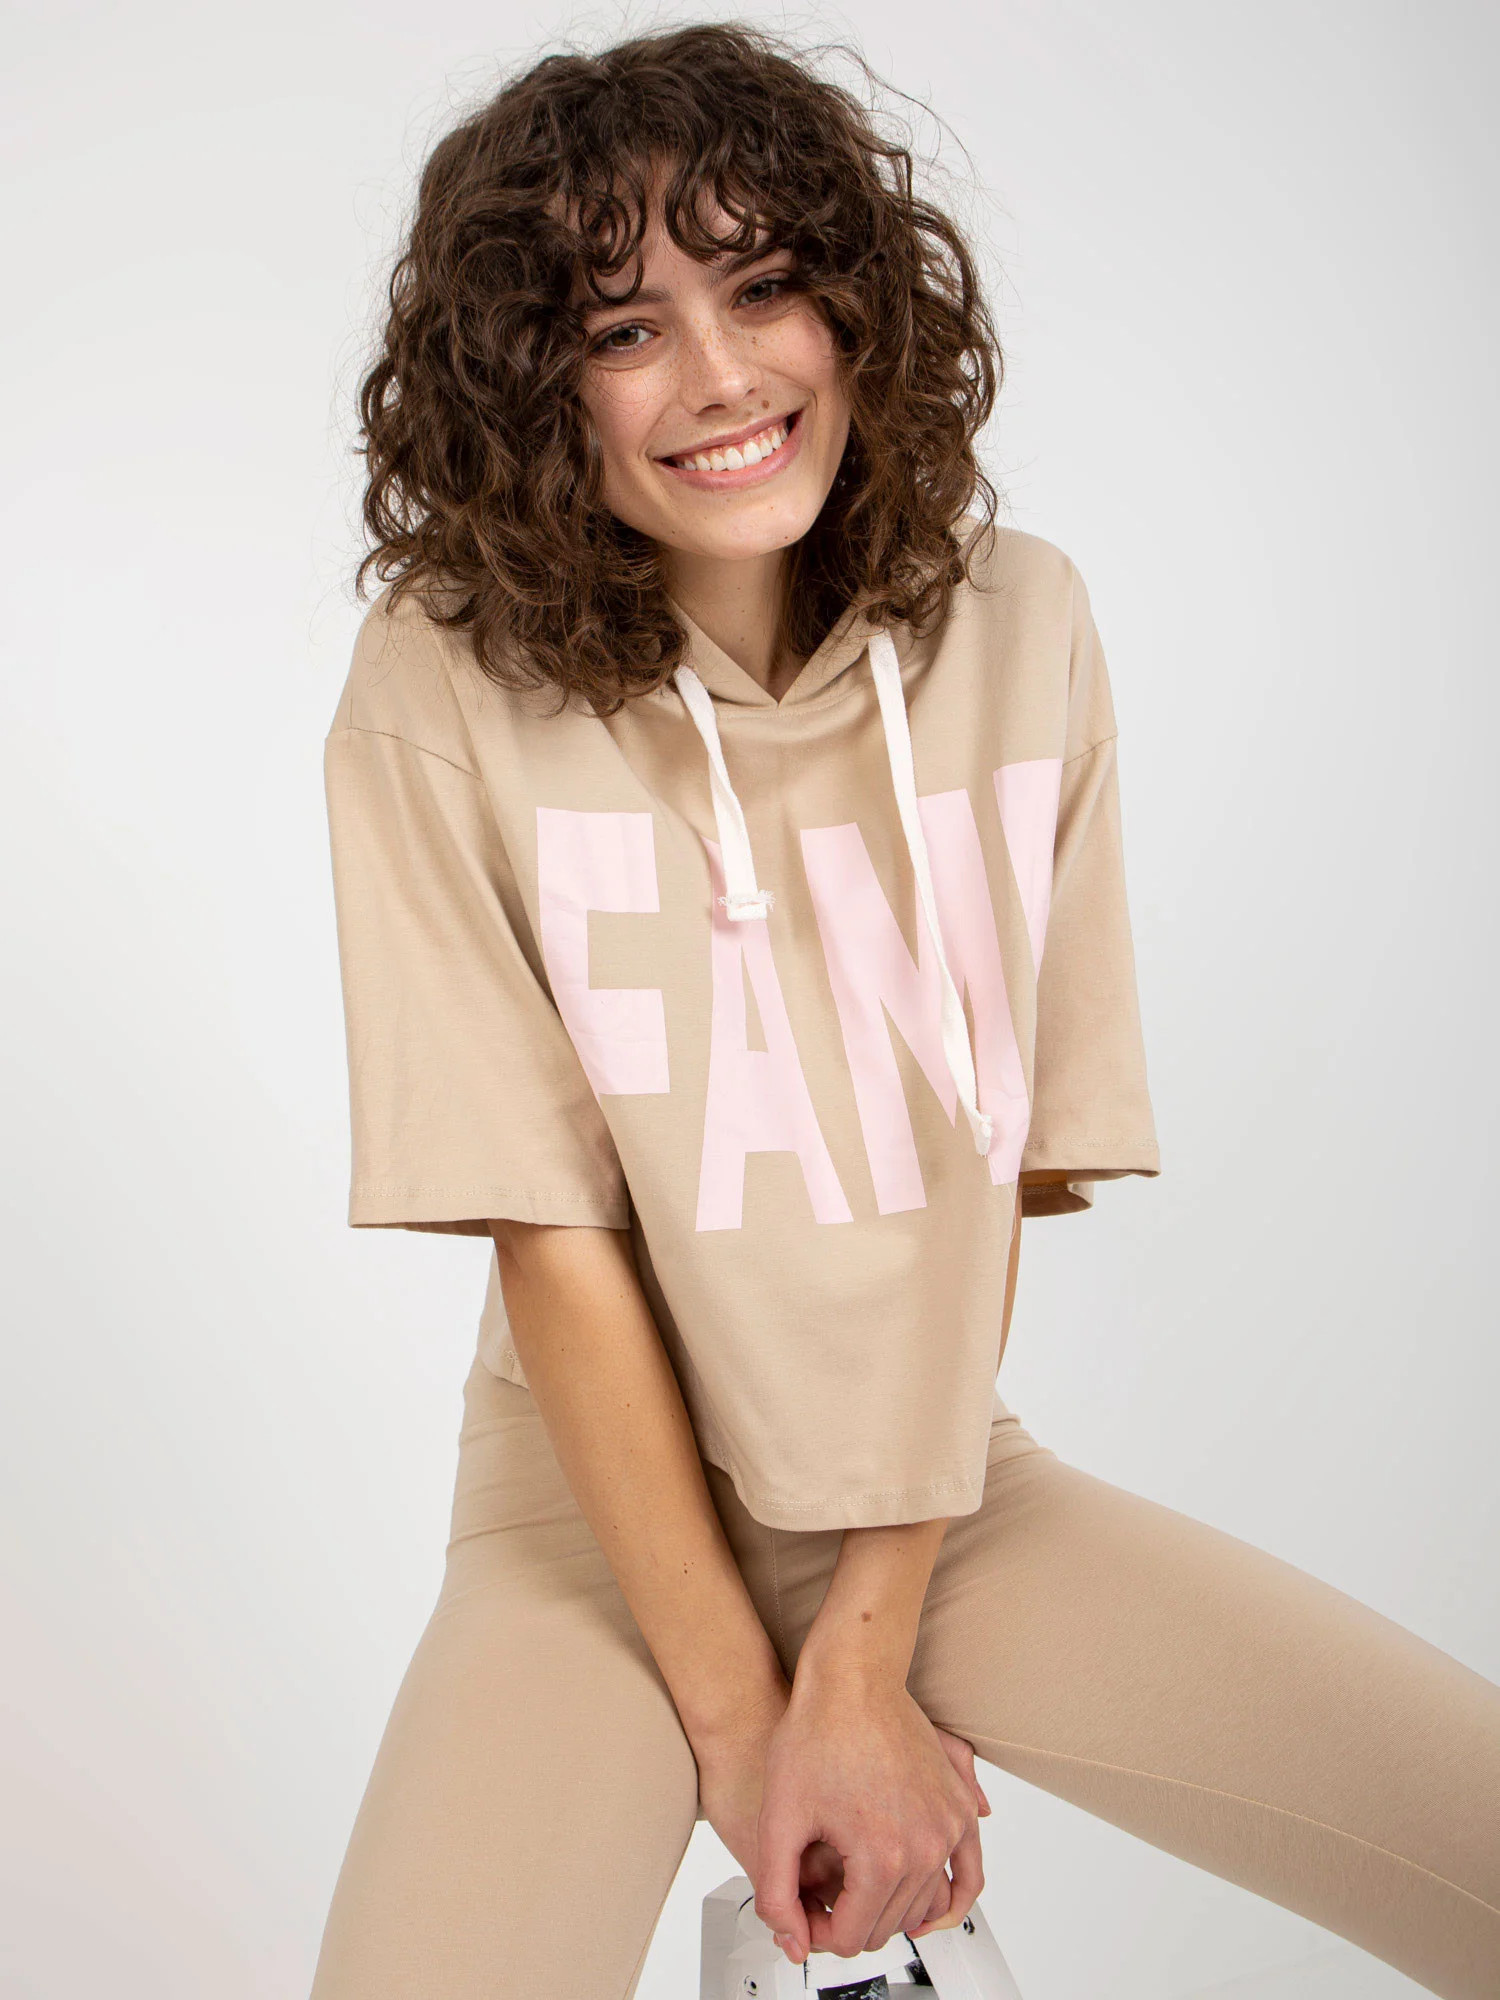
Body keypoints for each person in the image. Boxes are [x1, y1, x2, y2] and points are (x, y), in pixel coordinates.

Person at [310, 23, 1500, 1999]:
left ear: (859, 306)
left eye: (766, 285)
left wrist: (862, 1661)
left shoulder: (1020, 628)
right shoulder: (440, 684)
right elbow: (551, 1230)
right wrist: (741, 1723)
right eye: (626, 328)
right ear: (533, 385)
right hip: (586, 1522)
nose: (721, 376)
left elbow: (975, 1178)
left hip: (936, 1495)